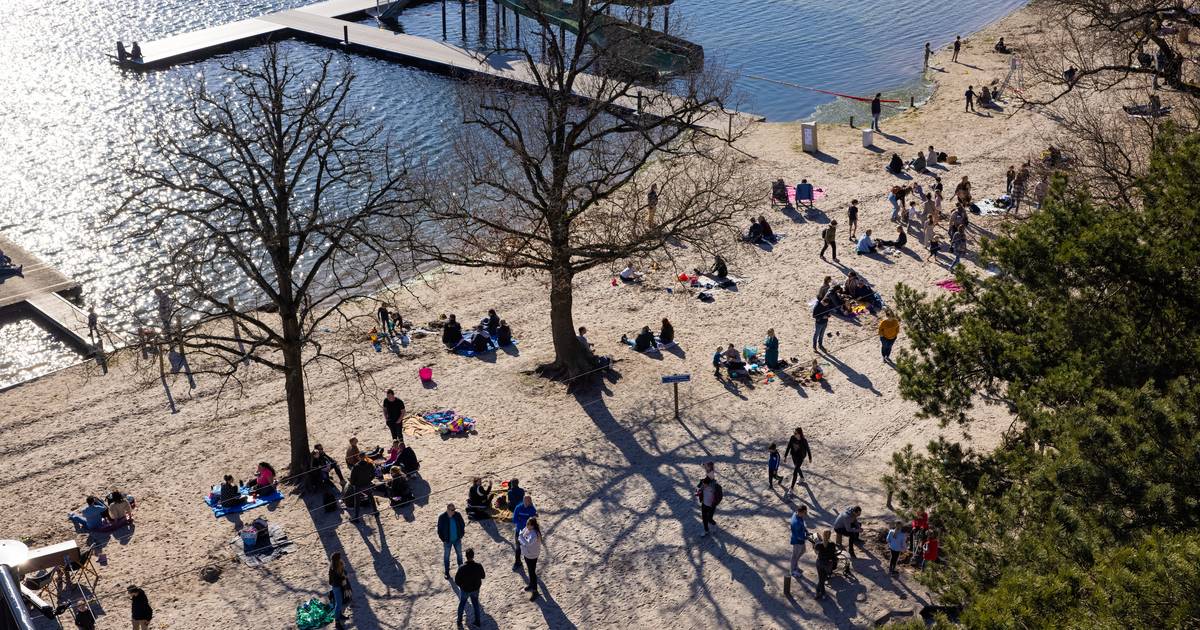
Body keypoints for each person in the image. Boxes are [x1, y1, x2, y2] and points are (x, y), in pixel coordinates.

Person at [455, 548, 485, 627]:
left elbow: (457, 580)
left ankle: (459, 621)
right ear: (473, 556)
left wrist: (462, 586)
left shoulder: (462, 568)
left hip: (465, 590)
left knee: (462, 604)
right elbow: (483, 576)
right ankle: (477, 621)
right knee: (475, 604)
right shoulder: (478, 566)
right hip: (475, 589)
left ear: (466, 556)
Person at [519, 517, 545, 600]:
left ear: (533, 526)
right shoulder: (527, 529)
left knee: (532, 572)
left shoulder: (534, 534)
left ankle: (535, 591)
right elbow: (522, 537)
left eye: (528, 524)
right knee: (530, 570)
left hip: (532, 555)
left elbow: (528, 543)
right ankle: (531, 584)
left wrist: (521, 537)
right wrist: (522, 538)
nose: (526, 525)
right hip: (527, 553)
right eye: (527, 524)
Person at [438, 504, 466, 578]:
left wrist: (461, 535)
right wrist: (443, 539)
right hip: (447, 541)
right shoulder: (442, 517)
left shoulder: (457, 515)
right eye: (452, 510)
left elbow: (462, 524)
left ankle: (461, 570)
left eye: (454, 509)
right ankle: (447, 572)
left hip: (457, 540)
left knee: (459, 555)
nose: (454, 511)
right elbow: (439, 530)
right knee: (446, 557)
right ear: (448, 510)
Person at [783, 427, 813, 496]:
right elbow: (788, 446)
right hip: (794, 455)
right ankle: (802, 478)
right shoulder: (792, 438)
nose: (794, 434)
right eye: (794, 433)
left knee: (795, 471)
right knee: (797, 467)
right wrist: (785, 456)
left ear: (799, 434)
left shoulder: (804, 440)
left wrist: (810, 458)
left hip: (801, 457)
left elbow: (808, 449)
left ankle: (791, 488)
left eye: (795, 433)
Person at [348, 454, 377, 521]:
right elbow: (373, 474)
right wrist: (369, 480)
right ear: (365, 457)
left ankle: (356, 517)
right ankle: (375, 511)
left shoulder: (355, 467)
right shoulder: (370, 464)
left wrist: (354, 484)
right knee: (371, 497)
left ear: (359, 457)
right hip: (367, 484)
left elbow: (352, 479)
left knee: (357, 501)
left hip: (358, 486)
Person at [511, 494, 538, 568]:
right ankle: (517, 562)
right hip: (519, 531)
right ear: (523, 500)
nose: (526, 503)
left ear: (530, 501)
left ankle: (529, 562)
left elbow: (532, 521)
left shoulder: (532, 509)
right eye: (525, 501)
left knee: (528, 547)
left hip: (529, 532)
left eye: (528, 501)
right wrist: (525, 521)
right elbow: (514, 520)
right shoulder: (518, 508)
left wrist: (521, 519)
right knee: (518, 548)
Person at [813, 530, 838, 600]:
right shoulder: (832, 544)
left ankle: (819, 593)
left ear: (823, 535)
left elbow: (816, 552)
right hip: (828, 564)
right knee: (822, 579)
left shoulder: (818, 544)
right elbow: (834, 553)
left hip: (819, 563)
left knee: (821, 579)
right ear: (830, 535)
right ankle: (821, 593)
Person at [328, 553, 350, 630]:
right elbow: (332, 581)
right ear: (336, 560)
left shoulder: (340, 564)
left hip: (341, 586)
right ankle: (337, 622)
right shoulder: (333, 569)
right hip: (337, 588)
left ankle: (340, 615)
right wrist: (342, 578)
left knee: (340, 602)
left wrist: (344, 575)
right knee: (338, 604)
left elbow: (344, 572)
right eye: (339, 558)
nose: (341, 558)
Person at [790, 505, 809, 579]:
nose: (805, 514)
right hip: (797, 541)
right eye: (805, 513)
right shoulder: (796, 523)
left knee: (803, 550)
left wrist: (806, 531)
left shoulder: (797, 514)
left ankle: (795, 564)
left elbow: (802, 524)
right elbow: (798, 536)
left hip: (801, 538)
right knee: (795, 555)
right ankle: (792, 571)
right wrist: (806, 537)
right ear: (800, 512)